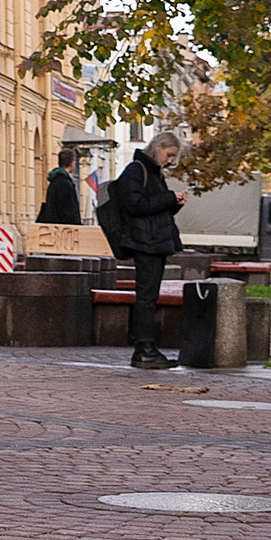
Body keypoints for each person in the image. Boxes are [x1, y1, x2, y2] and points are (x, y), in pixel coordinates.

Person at [104, 131, 186, 370]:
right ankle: (144, 349)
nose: (170, 160)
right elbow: (136, 206)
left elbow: (155, 211)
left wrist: (174, 203)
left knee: (149, 298)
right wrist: (169, 197)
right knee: (146, 299)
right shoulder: (136, 170)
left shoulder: (151, 173)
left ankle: (146, 348)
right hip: (145, 244)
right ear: (158, 147)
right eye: (169, 154)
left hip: (153, 242)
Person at [39, 147, 83, 225]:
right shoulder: (65, 183)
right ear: (72, 163)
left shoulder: (54, 181)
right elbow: (69, 211)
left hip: (53, 228)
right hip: (64, 231)